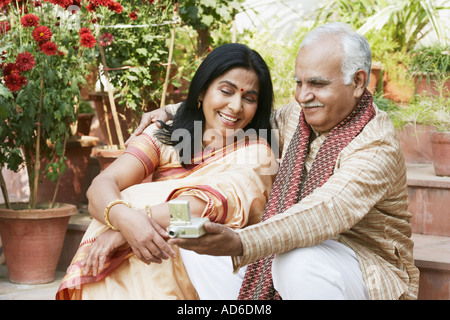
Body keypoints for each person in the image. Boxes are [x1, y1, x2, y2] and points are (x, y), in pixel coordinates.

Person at [131, 22, 420, 300]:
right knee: (198, 241)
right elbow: (240, 116)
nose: (303, 96)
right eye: (299, 82)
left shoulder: (376, 145)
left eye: (317, 84)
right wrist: (173, 109)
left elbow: (326, 211)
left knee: (297, 259)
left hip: (362, 265)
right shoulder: (298, 117)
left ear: (357, 82)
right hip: (287, 246)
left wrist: (242, 242)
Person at [55, 43, 279, 300]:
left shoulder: (258, 152)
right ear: (203, 90)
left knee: (166, 216)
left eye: (249, 98)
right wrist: (125, 222)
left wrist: (129, 228)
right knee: (122, 200)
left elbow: (200, 207)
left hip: (201, 263)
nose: (236, 106)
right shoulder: (168, 136)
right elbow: (102, 184)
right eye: (226, 91)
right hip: (149, 252)